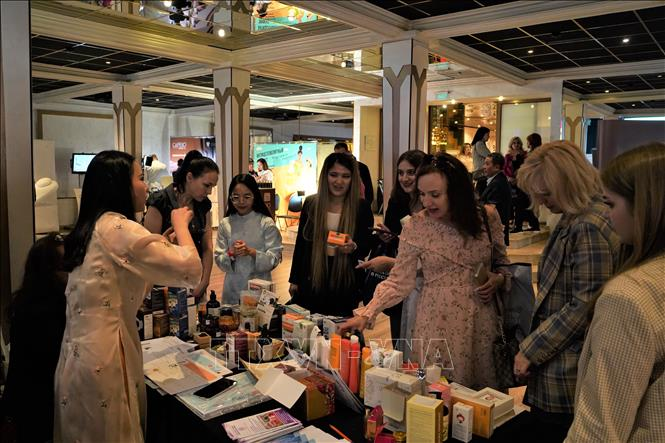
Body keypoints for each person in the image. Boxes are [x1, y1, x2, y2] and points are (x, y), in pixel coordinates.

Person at [54, 150, 202, 442]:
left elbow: (123, 282)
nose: (146, 186)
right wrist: (182, 225)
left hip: (79, 355)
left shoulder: (93, 226)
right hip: (107, 356)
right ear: (119, 185)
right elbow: (191, 269)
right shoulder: (118, 227)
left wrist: (161, 245)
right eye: (140, 178)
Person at [341, 153, 511, 389]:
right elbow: (399, 281)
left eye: (435, 194)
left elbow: (502, 263)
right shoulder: (416, 226)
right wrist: (367, 313)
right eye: (422, 194)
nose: (427, 202)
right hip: (434, 321)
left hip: (479, 321)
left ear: (457, 191)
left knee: (480, 398)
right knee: (435, 393)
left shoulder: (486, 217)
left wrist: (498, 279)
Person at [512, 141, 621, 442]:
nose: (541, 202)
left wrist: (531, 349)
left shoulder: (588, 225)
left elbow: (585, 304)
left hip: (567, 369)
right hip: (562, 363)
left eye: (546, 194)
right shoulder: (579, 217)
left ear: (567, 184)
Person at [565, 142, 665, 443]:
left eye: (611, 204)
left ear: (644, 206)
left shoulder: (629, 296)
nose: (607, 215)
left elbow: (599, 429)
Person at [288, 153, 373, 316]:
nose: (339, 181)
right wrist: (294, 279)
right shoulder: (311, 204)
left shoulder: (361, 207)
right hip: (312, 276)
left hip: (345, 280)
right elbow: (301, 245)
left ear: (353, 179)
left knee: (340, 328)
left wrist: (353, 246)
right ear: (325, 176)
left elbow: (365, 245)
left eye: (345, 176)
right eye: (333, 175)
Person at [1, 233, 67, 442]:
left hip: (27, 404)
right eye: (64, 267)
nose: (71, 273)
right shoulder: (50, 311)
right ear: (49, 271)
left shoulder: (23, 303)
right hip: (41, 403)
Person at [361, 149, 426, 346]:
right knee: (399, 336)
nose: (404, 178)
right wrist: (387, 237)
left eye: (411, 172)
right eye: (401, 173)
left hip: (426, 282)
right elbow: (396, 239)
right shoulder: (397, 200)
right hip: (400, 276)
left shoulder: (432, 207)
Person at [144, 150, 218, 299]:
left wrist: (204, 280)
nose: (209, 192)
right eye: (206, 185)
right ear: (189, 177)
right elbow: (149, 252)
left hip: (194, 282)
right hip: (163, 286)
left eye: (212, 187)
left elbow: (207, 247)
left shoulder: (203, 205)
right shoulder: (160, 201)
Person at [214, 174, 283, 304]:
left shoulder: (266, 223)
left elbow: (274, 259)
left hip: (260, 290)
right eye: (236, 197)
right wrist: (232, 253)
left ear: (254, 196)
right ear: (230, 198)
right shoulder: (226, 224)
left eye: (247, 197)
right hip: (233, 288)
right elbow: (218, 259)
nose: (241, 201)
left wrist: (252, 252)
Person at [508, 136, 540, 233]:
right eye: (514, 143)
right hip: (523, 180)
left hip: (525, 181)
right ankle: (532, 224)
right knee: (525, 203)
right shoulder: (530, 153)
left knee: (521, 203)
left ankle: (519, 226)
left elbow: (524, 167)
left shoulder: (529, 154)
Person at [480, 153, 512, 246]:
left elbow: (491, 209)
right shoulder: (496, 180)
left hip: (495, 230)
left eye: (487, 164)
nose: (484, 167)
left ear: (497, 167)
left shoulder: (497, 183)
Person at [334, 142, 374, 206]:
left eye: (342, 154)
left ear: (347, 152)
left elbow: (368, 189)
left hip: (358, 203)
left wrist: (366, 205)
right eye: (337, 155)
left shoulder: (362, 167)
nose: (340, 158)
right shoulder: (334, 168)